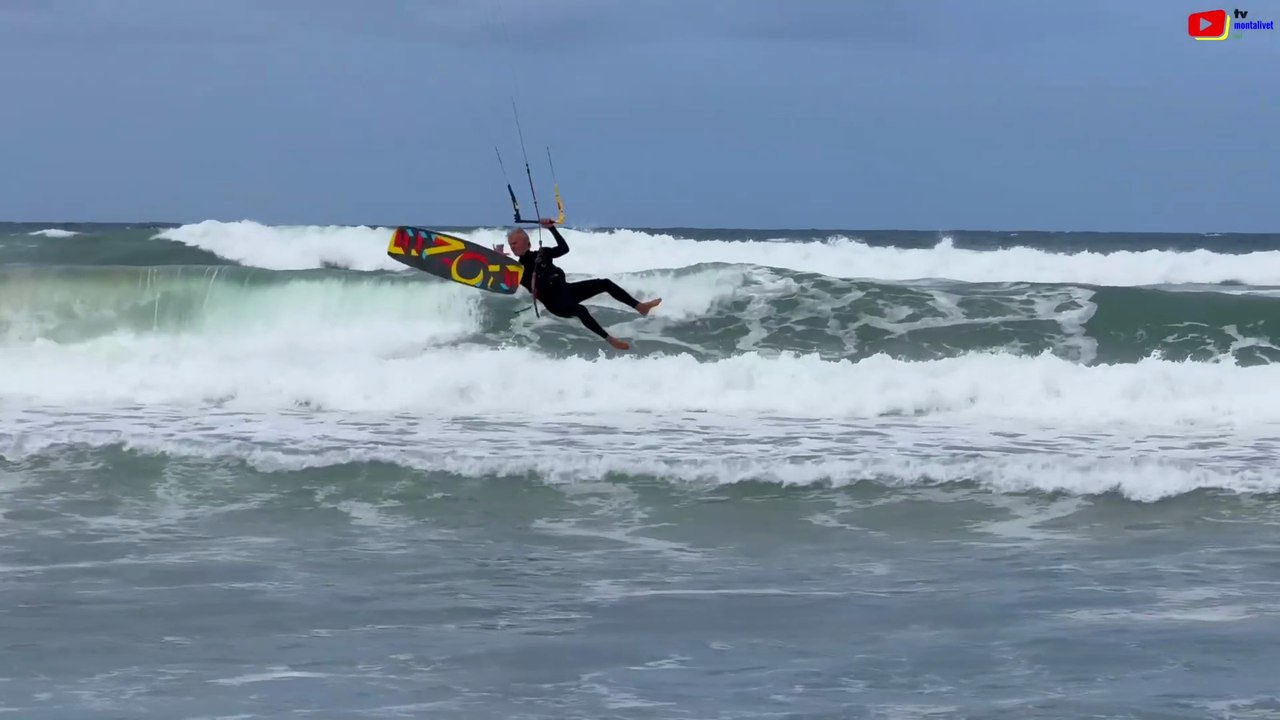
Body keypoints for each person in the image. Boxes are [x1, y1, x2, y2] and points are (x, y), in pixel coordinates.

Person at [499, 218, 660, 350]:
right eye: (510, 244)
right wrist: (499, 261)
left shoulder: (544, 253)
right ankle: (610, 340)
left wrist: (552, 229)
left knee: (604, 283)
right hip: (555, 303)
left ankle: (640, 307)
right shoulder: (517, 269)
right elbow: (504, 283)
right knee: (580, 310)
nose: (512, 247)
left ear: (527, 242)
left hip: (567, 291)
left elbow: (564, 248)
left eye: (515, 243)